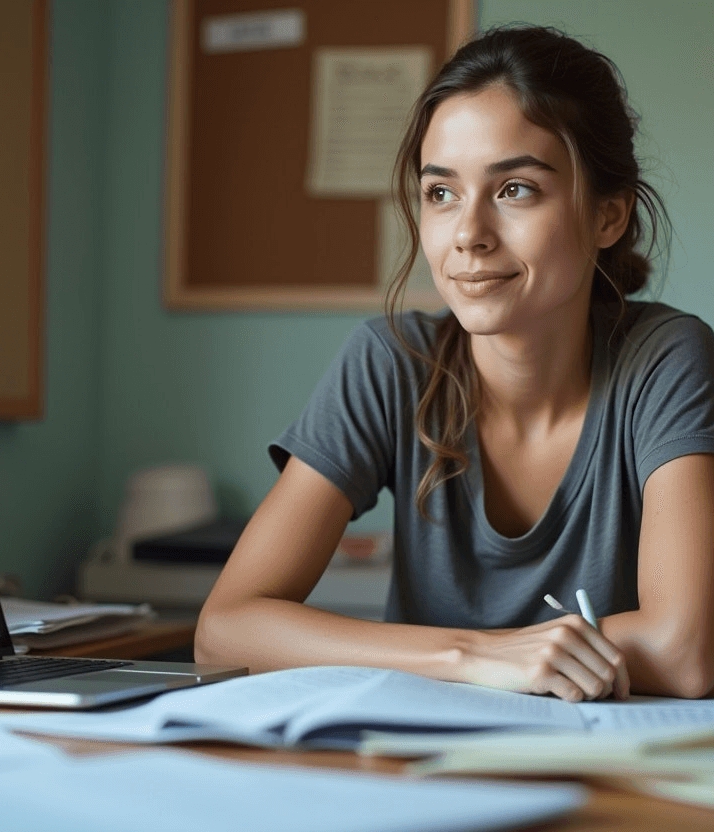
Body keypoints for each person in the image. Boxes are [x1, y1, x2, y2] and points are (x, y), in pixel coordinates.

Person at [194, 26, 714, 701]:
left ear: (608, 215)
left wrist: (508, 658)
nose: (468, 234)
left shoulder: (667, 362)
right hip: (421, 768)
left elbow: (685, 650)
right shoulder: (390, 363)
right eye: (441, 194)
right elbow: (225, 629)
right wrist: (475, 656)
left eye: (514, 190)